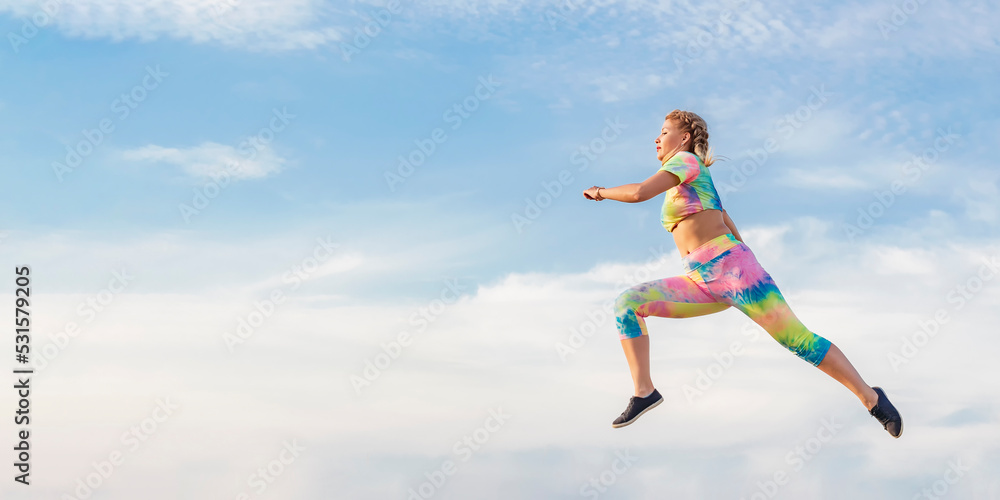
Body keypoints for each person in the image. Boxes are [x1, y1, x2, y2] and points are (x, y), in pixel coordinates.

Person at [582, 109, 903, 437]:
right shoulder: (690, 183)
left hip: (735, 272)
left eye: (664, 132)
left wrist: (601, 191)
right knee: (628, 303)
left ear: (684, 139)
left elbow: (638, 193)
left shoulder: (686, 162)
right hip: (700, 280)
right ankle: (644, 391)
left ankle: (871, 398)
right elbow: (725, 218)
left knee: (798, 340)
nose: (657, 138)